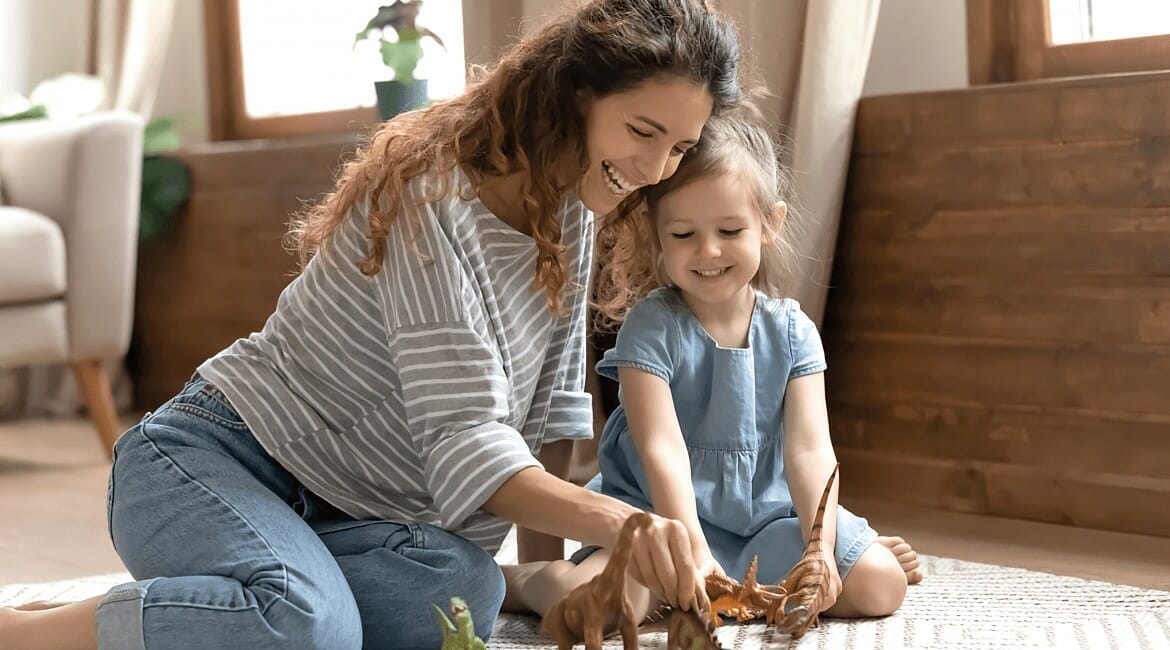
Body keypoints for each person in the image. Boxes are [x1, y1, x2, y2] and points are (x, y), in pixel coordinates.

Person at [0, 1, 743, 648]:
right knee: (303, 626)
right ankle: (30, 631)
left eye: (677, 148)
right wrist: (622, 522)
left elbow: (544, 415)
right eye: (642, 131)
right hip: (206, 464)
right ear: (576, 93)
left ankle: (246, 604)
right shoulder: (432, 198)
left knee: (469, 595)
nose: (652, 169)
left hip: (348, 516)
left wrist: (553, 571)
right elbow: (468, 444)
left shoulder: (574, 208)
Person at [505, 108, 924, 627]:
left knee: (883, 584)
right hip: (664, 523)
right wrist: (693, 553)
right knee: (612, 606)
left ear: (770, 223)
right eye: (683, 235)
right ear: (656, 234)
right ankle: (525, 579)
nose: (708, 251)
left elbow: (810, 451)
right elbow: (662, 450)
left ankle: (831, 552)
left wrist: (824, 547)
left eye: (729, 229)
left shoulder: (793, 333)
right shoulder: (651, 327)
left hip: (764, 521)